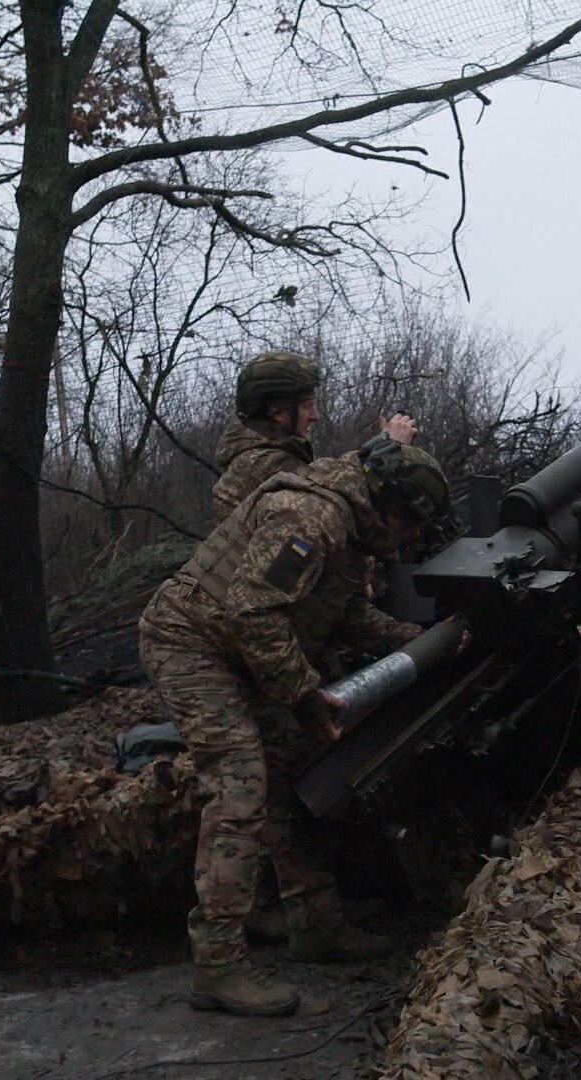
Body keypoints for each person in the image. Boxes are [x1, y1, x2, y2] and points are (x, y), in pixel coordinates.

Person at [139, 436, 451, 1016]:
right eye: (409, 526)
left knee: (298, 770)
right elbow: (252, 610)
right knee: (240, 786)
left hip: (245, 648)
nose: (407, 541)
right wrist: (304, 696)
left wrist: (430, 643)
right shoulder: (311, 516)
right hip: (194, 643)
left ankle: (315, 925)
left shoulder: (349, 525)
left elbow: (342, 613)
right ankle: (218, 964)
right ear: (391, 507)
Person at [211, 350, 416, 522]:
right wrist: (390, 446)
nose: (315, 416)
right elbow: (344, 498)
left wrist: (383, 446)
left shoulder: (262, 453)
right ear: (278, 412)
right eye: (307, 406)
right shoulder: (262, 464)